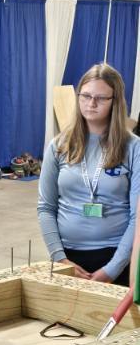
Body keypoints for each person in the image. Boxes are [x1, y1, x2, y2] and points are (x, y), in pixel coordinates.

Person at [38, 64, 140, 286]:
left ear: (115, 101)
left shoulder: (133, 148)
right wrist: (60, 259)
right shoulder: (59, 146)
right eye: (85, 96)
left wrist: (113, 269)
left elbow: (138, 217)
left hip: (117, 256)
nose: (91, 103)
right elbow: (46, 208)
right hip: (67, 256)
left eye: (101, 98)